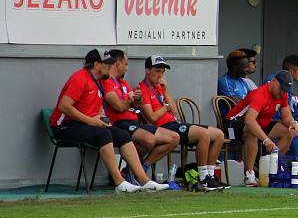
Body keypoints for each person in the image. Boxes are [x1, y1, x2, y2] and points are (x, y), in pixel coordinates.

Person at [49, 49, 168, 194]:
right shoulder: (80, 78)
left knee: (122, 135)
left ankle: (144, 181)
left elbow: (96, 107)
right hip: (64, 126)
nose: (111, 67)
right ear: (97, 64)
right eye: (108, 64)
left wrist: (101, 118)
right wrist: (91, 121)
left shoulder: (100, 80)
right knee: (104, 135)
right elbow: (64, 106)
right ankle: (119, 183)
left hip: (84, 123)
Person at [138, 55, 229, 191]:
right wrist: (166, 107)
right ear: (147, 70)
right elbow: (152, 117)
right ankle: (202, 178)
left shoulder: (159, 88)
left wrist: (164, 91)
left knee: (218, 134)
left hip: (174, 123)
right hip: (163, 128)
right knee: (203, 134)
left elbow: (175, 112)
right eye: (157, 71)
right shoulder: (142, 89)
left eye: (162, 72)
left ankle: (210, 175)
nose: (160, 75)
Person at [102, 49, 180, 177]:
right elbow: (119, 106)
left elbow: (137, 105)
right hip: (119, 123)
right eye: (126, 64)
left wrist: (137, 99)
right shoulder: (107, 82)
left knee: (174, 138)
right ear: (118, 64)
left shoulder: (123, 83)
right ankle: (131, 173)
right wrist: (132, 99)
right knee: (149, 140)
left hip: (135, 121)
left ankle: (139, 169)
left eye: (162, 72)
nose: (127, 69)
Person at [226, 71, 298, 186]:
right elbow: (249, 121)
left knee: (288, 132)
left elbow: (286, 116)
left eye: (285, 90)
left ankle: (271, 168)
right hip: (234, 124)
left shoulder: (283, 94)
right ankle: (249, 175)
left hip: (260, 123)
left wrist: (293, 123)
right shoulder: (260, 94)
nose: (282, 92)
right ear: (274, 82)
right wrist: (266, 140)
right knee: (252, 131)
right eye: (281, 88)